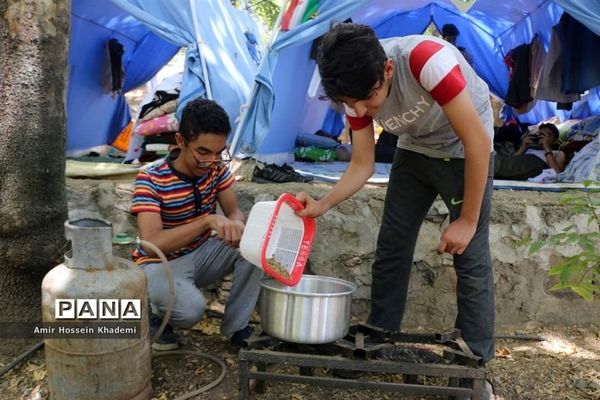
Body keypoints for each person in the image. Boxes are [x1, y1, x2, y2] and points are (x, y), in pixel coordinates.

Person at [296, 23, 495, 397]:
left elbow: (478, 143)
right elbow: (361, 164)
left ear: (387, 70)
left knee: (471, 257)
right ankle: (379, 341)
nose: (360, 110)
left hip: (462, 149)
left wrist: (467, 221)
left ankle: (474, 366)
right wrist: (322, 204)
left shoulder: (426, 60)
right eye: (349, 102)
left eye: (368, 99)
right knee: (392, 246)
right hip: (415, 148)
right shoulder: (355, 84)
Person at [131, 98, 263, 350]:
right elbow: (151, 245)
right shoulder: (151, 178)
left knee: (254, 246)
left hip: (201, 256)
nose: (211, 160)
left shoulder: (215, 169)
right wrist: (206, 222)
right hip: (160, 264)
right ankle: (155, 313)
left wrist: (235, 227)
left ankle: (237, 328)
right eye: (203, 152)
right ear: (180, 141)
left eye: (218, 152)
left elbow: (234, 212)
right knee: (191, 311)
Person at [494, 122, 566, 180]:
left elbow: (557, 173)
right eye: (541, 134)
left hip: (536, 163)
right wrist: (523, 146)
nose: (543, 137)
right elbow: (513, 160)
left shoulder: (557, 153)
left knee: (499, 165)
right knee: (503, 163)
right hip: (518, 163)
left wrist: (546, 148)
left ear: (555, 140)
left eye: (549, 135)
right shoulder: (530, 148)